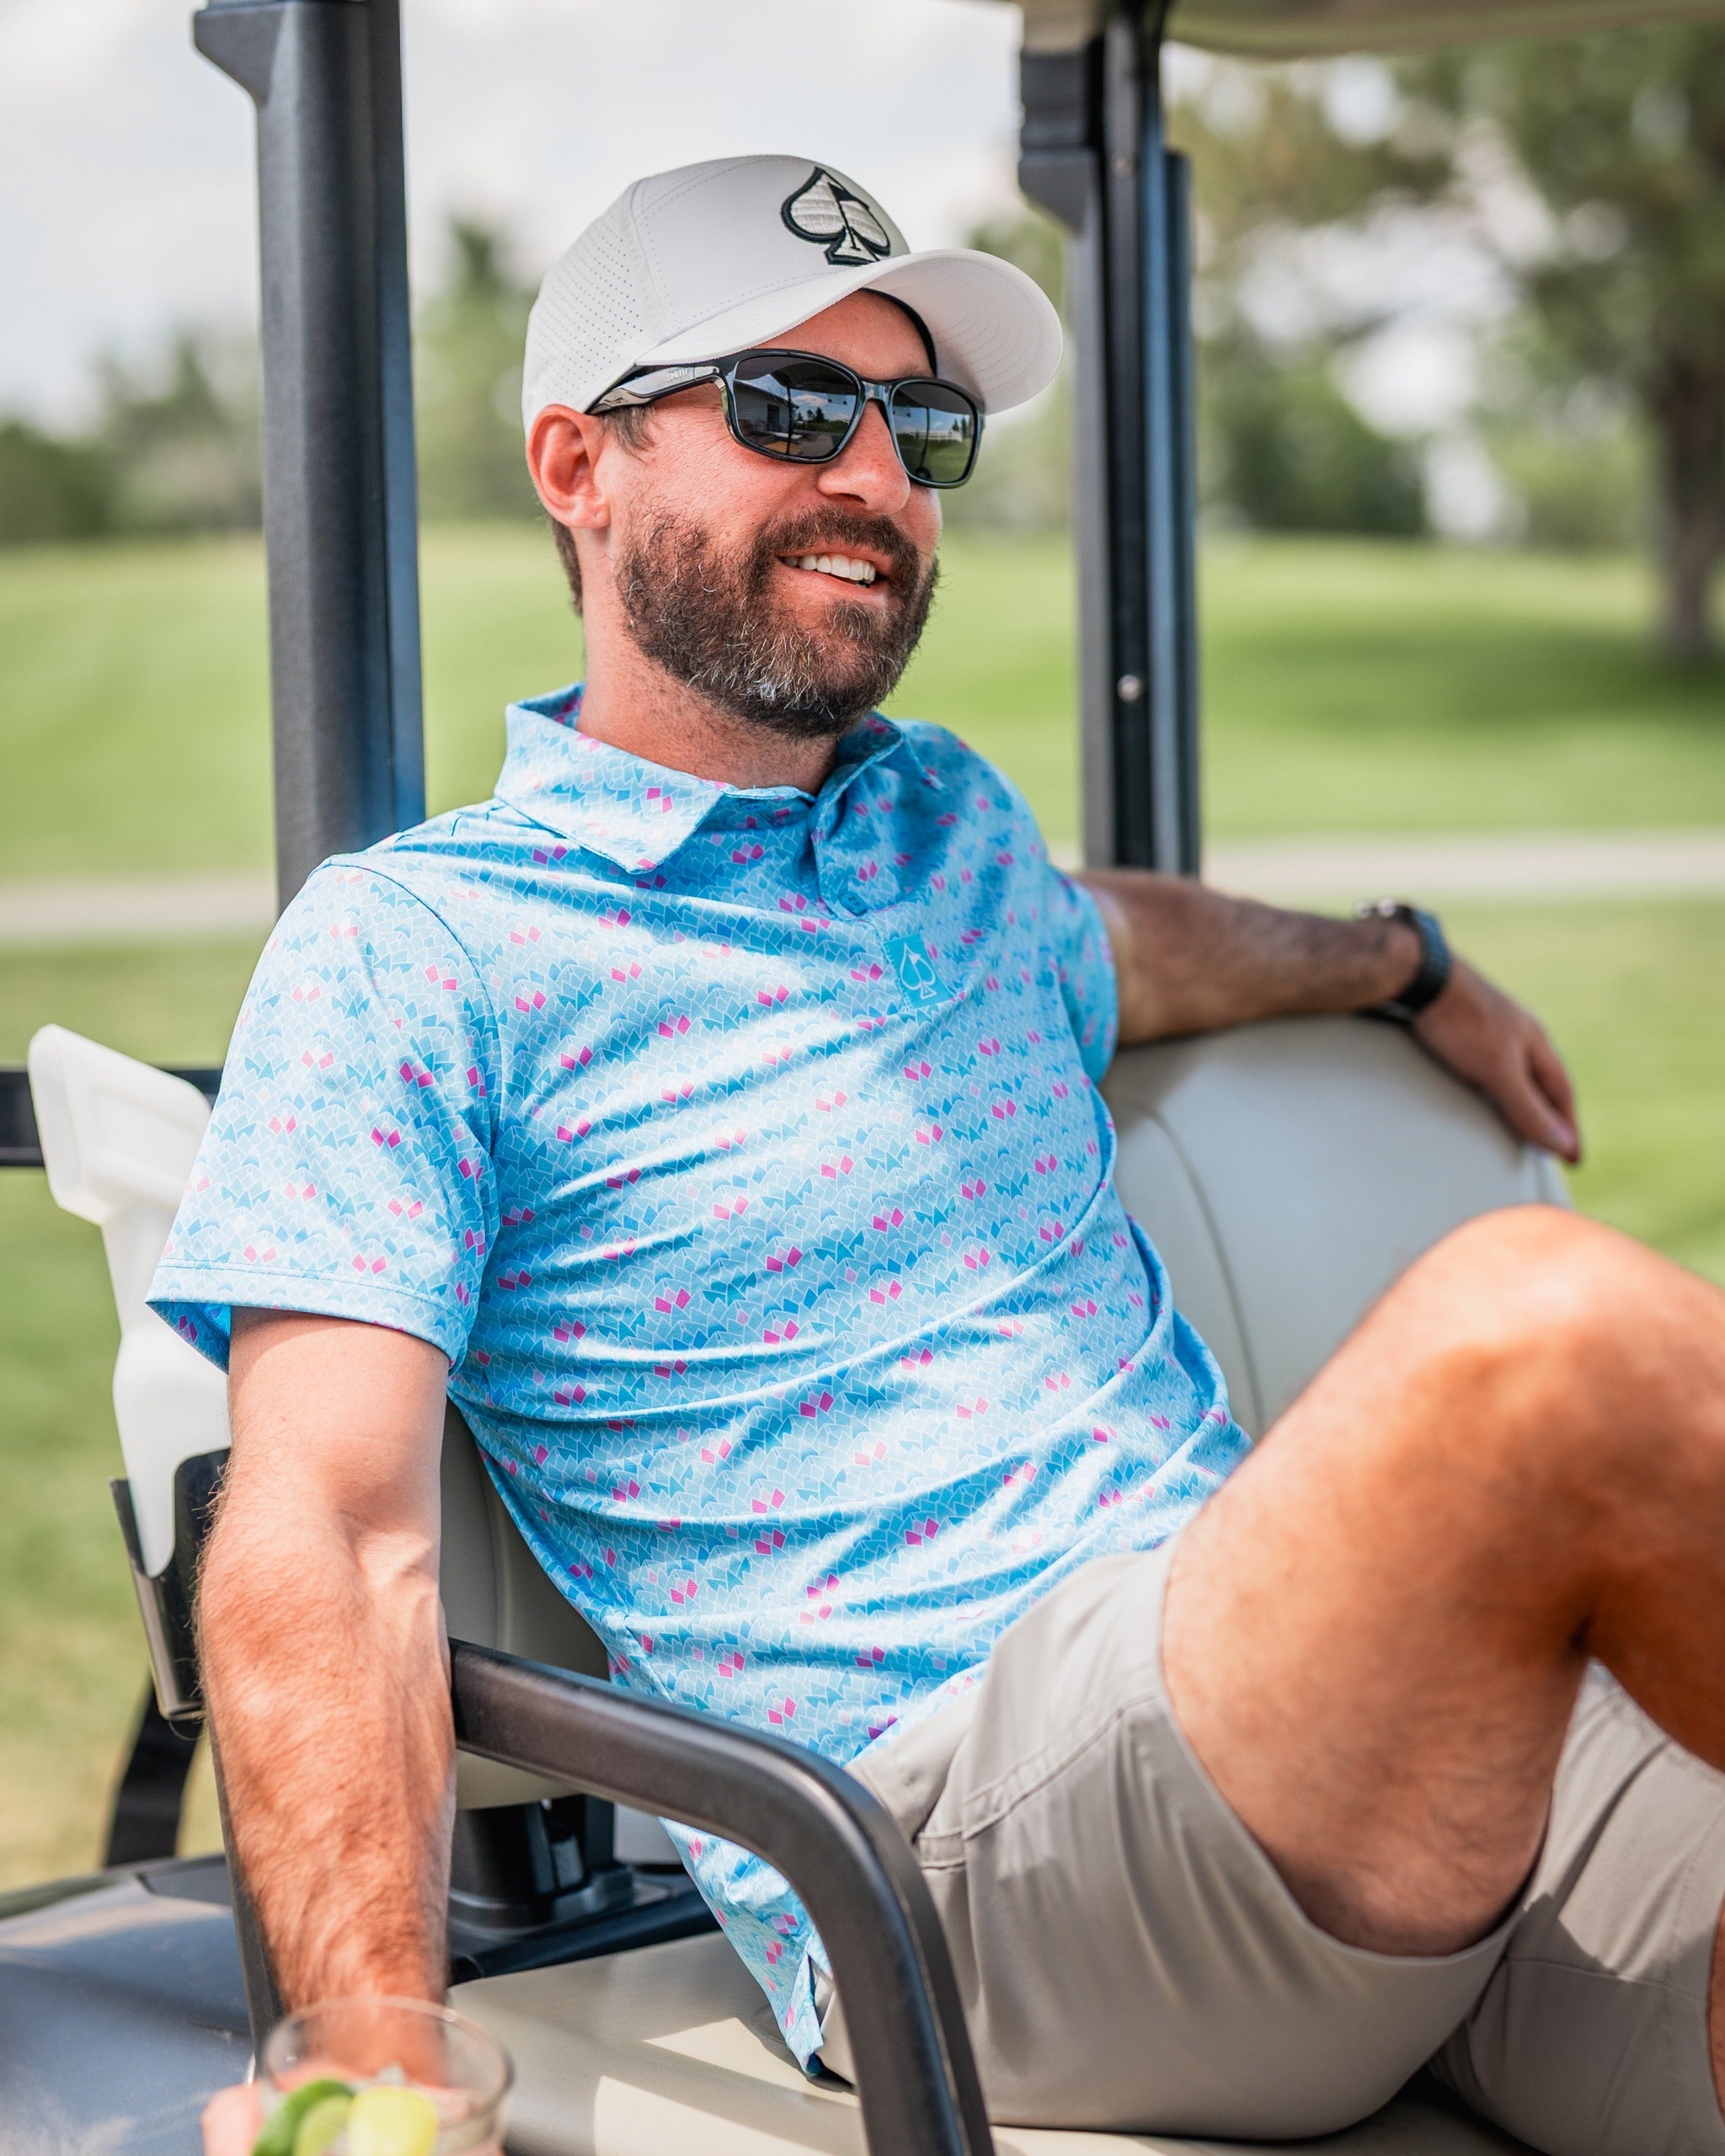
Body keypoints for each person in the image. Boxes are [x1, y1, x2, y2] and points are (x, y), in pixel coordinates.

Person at [168, 157, 1721, 2156]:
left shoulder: (941, 836)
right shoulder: (422, 951)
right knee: (1544, 1336)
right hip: (950, 1858)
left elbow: (1128, 943)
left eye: (924, 428)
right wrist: (369, 2045)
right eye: (794, 409)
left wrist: (1399, 962)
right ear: (578, 461)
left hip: (1327, 1752)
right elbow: (330, 1529)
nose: (881, 479)